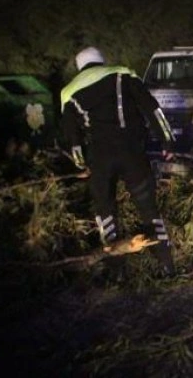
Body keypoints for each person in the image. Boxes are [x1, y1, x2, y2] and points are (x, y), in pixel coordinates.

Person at [60, 47, 176, 276]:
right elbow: (152, 108)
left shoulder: (68, 92)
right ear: (102, 61)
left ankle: (116, 271)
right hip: (131, 152)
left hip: (99, 158)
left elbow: (72, 136)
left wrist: (80, 164)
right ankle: (166, 264)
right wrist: (167, 141)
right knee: (147, 208)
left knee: (106, 212)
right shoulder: (122, 74)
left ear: (79, 66)